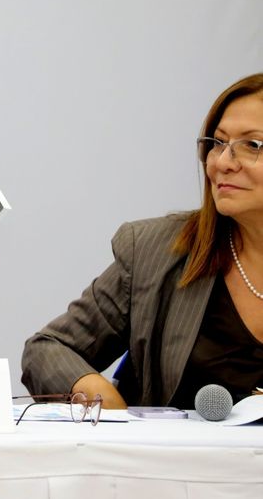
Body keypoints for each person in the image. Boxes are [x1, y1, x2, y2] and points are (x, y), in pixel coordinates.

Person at [21, 73, 263, 409]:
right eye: (218, 143)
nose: (222, 162)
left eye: (252, 145)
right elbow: (48, 350)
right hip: (175, 461)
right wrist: (101, 398)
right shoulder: (156, 250)